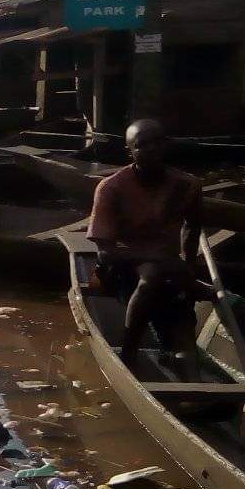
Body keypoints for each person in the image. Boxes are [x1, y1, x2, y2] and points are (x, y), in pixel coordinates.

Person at [87, 119, 209, 376]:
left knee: (182, 323)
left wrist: (188, 268)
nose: (151, 150)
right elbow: (105, 253)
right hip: (121, 267)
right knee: (150, 277)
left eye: (157, 143)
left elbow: (192, 227)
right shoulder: (112, 187)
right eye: (142, 145)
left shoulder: (187, 185)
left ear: (166, 146)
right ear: (130, 151)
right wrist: (159, 259)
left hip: (168, 268)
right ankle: (129, 353)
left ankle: (194, 385)